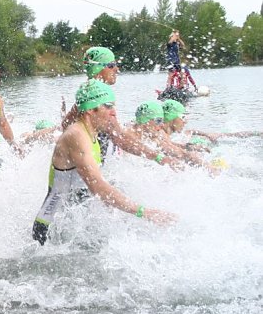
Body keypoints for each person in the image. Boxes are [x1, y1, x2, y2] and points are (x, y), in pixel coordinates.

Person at [33, 80, 176, 244]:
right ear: (90, 111)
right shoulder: (77, 135)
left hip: (73, 222)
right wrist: (144, 212)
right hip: (52, 227)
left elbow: (122, 140)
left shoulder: (92, 130)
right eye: (108, 106)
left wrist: (159, 158)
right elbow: (97, 186)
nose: (114, 112)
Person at [63, 46, 184, 169]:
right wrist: (158, 157)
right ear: (98, 68)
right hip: (90, 172)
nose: (117, 69)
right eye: (111, 65)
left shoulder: (87, 94)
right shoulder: (97, 98)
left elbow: (65, 124)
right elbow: (120, 138)